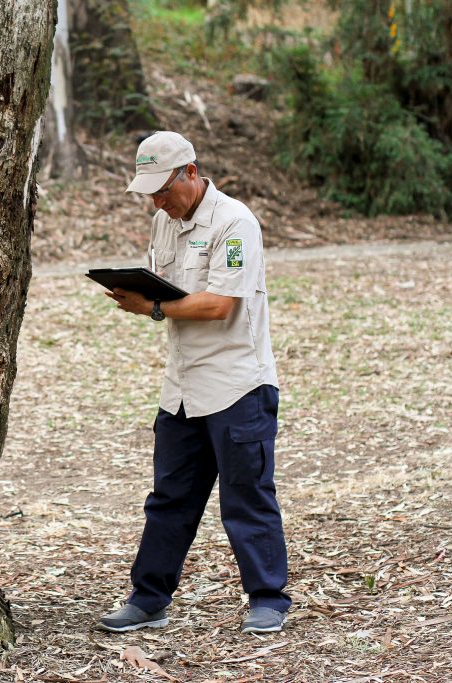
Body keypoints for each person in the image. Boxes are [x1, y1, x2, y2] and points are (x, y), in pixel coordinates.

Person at [99, 131, 291, 634]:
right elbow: (169, 288)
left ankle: (268, 598)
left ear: (190, 171)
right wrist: (142, 293)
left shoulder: (235, 222)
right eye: (150, 194)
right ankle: (149, 598)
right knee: (169, 497)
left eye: (163, 189)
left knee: (246, 496)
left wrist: (153, 306)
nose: (158, 202)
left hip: (237, 385)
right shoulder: (165, 222)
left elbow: (219, 304)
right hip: (182, 387)